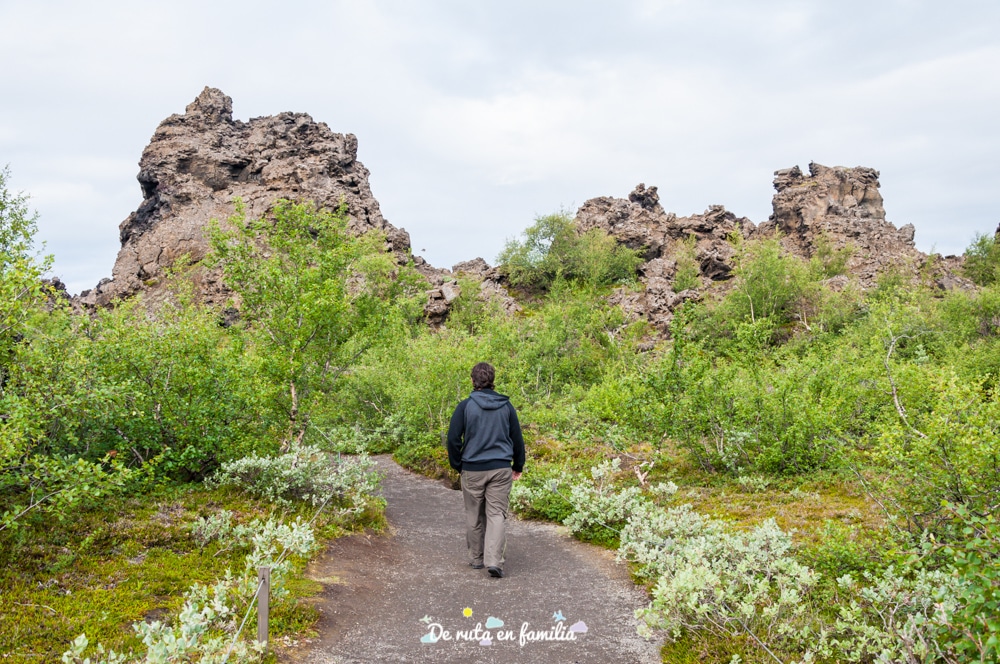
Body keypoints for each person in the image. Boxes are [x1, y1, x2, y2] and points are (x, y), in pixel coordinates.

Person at [447, 362, 525, 578]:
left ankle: (476, 559)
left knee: (474, 514)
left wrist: (458, 465)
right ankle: (494, 561)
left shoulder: (465, 406)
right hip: (500, 468)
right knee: (496, 514)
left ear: (473, 380)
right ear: (492, 380)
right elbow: (517, 439)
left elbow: (453, 439)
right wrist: (518, 465)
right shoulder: (506, 407)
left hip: (472, 469)